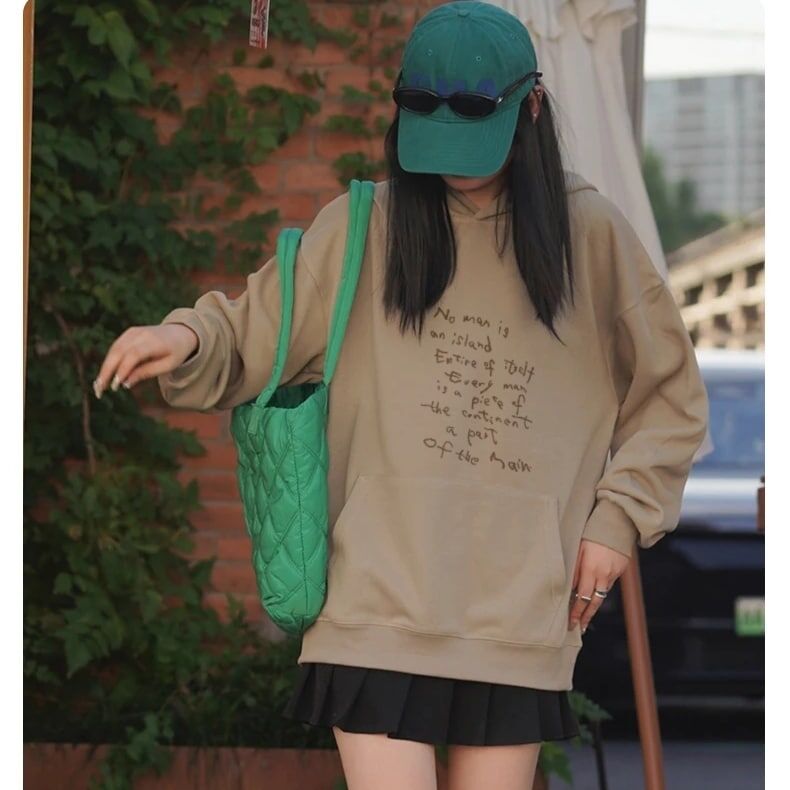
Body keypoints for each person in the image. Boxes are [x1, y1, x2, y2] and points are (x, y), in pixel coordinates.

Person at [93, 2, 709, 788]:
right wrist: (185, 336)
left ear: (532, 108)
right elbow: (250, 331)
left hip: (519, 610)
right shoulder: (363, 226)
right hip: (372, 602)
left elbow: (672, 398)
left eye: (473, 135)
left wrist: (617, 519)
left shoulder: (591, 236)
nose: (453, 162)